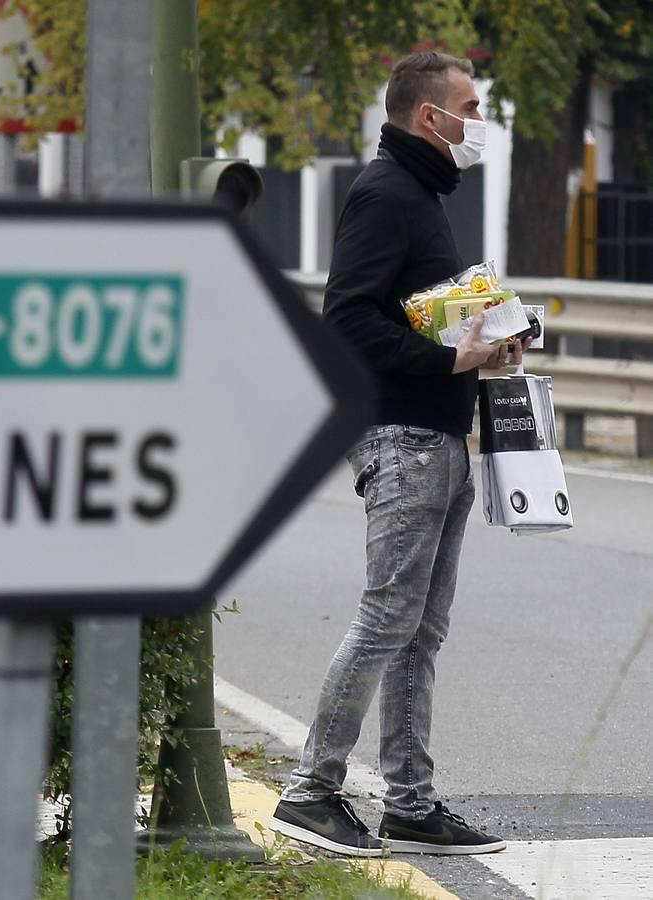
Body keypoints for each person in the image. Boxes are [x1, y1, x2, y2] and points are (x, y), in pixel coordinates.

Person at [270, 51, 530, 857]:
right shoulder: (385, 193)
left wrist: (489, 340)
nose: (478, 122)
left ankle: (410, 802)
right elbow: (346, 318)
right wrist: (448, 360)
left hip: (439, 433)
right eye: (470, 106)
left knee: (419, 630)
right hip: (401, 435)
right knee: (388, 618)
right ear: (429, 116)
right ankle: (310, 791)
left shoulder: (420, 194)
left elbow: (415, 313)